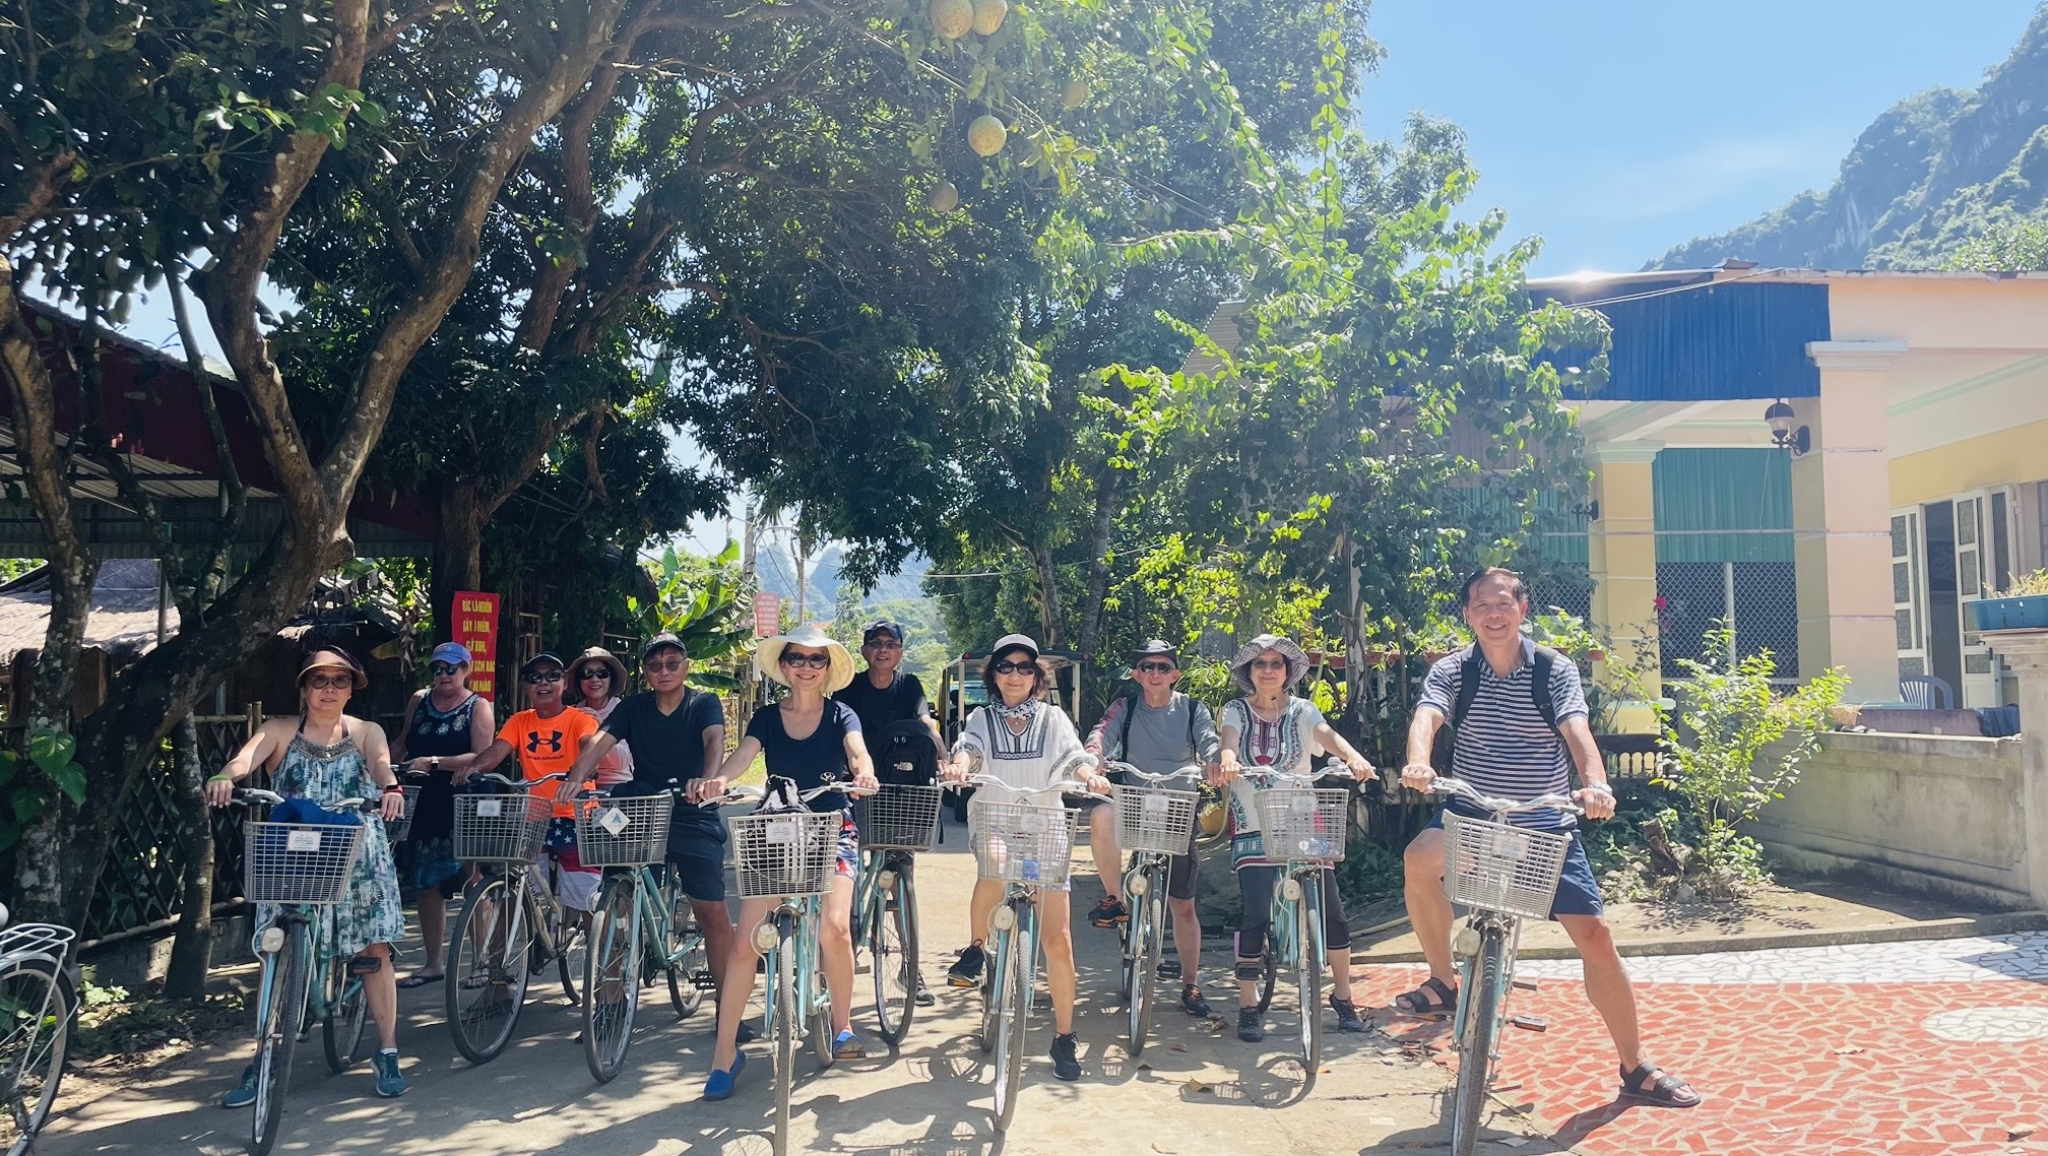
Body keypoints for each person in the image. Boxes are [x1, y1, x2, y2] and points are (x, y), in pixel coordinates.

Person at [1398, 568, 1702, 1109]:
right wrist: (1418, 761)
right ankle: (1444, 981)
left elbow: (1577, 730)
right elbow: (1427, 717)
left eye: (1503, 604)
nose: (1493, 614)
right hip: (1474, 813)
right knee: (1420, 858)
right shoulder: (1453, 670)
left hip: (1543, 819)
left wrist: (1596, 784)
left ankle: (1634, 1066)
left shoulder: (1551, 669)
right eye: (1481, 606)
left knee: (1596, 937)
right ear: (1467, 614)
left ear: (1522, 609)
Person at [208, 647, 411, 1100]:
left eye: (339, 681)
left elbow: (380, 763)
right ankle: (261, 1058)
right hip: (292, 853)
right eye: (319, 680)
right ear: (304, 687)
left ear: (350, 689)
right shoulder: (279, 729)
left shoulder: (365, 730)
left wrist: (390, 788)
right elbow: (246, 759)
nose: (329, 689)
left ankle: (388, 1050)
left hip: (356, 850)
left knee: (373, 948)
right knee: (276, 947)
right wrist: (225, 775)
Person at [693, 624, 878, 1099]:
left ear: (828, 668)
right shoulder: (767, 717)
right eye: (797, 658)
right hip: (775, 831)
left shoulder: (842, 714)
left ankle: (842, 1026)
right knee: (743, 944)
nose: (807, 667)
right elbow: (742, 758)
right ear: (784, 666)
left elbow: (858, 754)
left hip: (831, 827)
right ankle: (724, 1055)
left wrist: (864, 774)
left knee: (834, 928)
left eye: (817, 660)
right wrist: (717, 780)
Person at [942, 633, 1110, 1083]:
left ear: (1037, 676)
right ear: (993, 675)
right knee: (994, 865)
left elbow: (1074, 755)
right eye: (1006, 666)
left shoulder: (1053, 718)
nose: (1014, 674)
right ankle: (977, 948)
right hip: (995, 819)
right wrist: (960, 765)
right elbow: (969, 748)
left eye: (1024, 667)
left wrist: (1089, 775)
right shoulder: (980, 716)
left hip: (1045, 827)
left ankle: (1064, 1035)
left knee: (1057, 940)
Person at [562, 633, 739, 1046]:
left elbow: (715, 741)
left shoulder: (702, 703)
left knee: (711, 908)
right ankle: (610, 1002)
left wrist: (709, 780)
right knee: (615, 902)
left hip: (692, 806)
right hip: (642, 809)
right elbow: (600, 743)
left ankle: (728, 1011)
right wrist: (574, 778)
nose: (664, 671)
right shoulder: (634, 707)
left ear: (686, 666)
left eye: (672, 663)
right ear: (645, 671)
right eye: (656, 665)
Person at [1216, 633, 1374, 1043]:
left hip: (1304, 823)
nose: (1268, 670)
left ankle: (1342, 997)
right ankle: (1248, 1005)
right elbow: (1229, 740)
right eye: (1260, 664)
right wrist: (1229, 759)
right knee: (1255, 912)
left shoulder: (1303, 710)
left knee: (1333, 912)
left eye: (1276, 664)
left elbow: (1325, 735)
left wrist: (1352, 757)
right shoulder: (1235, 709)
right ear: (1249, 673)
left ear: (1288, 673)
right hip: (1253, 823)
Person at [1083, 639, 1223, 1018]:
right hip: (1133, 804)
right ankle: (1115, 898)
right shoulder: (1124, 709)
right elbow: (1100, 735)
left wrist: (1214, 761)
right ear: (1136, 675)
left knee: (1183, 905)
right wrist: (1093, 759)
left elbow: (1210, 741)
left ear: (1175, 674)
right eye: (1148, 667)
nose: (1155, 674)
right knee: (1100, 815)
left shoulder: (1193, 709)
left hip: (1179, 810)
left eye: (1163, 667)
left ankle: (1190, 984)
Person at [832, 619, 946, 1006]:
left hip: (901, 792)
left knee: (901, 875)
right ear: (864, 651)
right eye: (875, 643)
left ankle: (912, 969)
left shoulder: (909, 686)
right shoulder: (850, 690)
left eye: (891, 644)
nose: (883, 650)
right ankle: (842, 947)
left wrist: (945, 759)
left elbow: (925, 723)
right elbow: (840, 734)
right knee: (846, 871)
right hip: (859, 788)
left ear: (900, 651)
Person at [390, 641, 495, 988]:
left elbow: (483, 755)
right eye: (438, 668)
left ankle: (481, 963)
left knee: (472, 878)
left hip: (462, 798)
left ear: (466, 669)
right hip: (422, 799)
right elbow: (404, 742)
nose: (444, 675)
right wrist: (378, 768)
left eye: (451, 668)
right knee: (426, 882)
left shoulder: (478, 706)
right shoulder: (420, 700)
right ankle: (433, 962)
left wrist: (435, 762)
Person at [569, 646, 635, 791]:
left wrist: (603, 729)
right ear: (579, 680)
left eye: (602, 673)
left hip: (617, 787)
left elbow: (621, 762)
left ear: (611, 678)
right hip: (579, 788)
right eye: (587, 674)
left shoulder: (623, 710)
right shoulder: (574, 712)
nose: (594, 679)